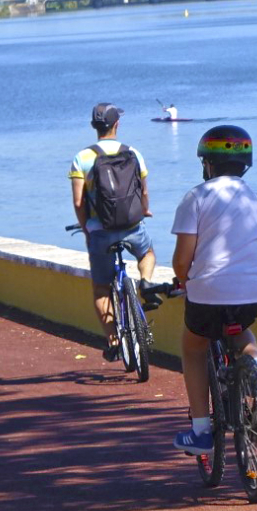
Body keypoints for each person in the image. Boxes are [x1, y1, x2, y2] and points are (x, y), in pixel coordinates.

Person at [169, 125, 257, 453]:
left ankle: (201, 431)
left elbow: (182, 261)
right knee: (240, 330)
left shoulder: (196, 197)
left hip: (209, 294)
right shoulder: (253, 198)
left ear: (207, 164)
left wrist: (183, 280)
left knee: (194, 346)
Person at [69, 103, 157, 363]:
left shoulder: (82, 158)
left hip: (100, 231)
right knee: (147, 253)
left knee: (101, 289)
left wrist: (87, 229)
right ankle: (146, 281)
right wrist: (144, 210)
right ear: (117, 124)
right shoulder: (133, 153)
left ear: (94, 127)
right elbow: (144, 192)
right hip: (132, 225)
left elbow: (78, 202)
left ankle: (114, 341)